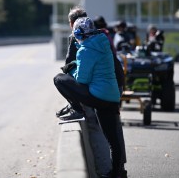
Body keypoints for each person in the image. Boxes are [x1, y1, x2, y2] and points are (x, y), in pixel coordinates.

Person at [54, 17, 127, 178]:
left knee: (59, 78)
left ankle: (77, 109)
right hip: (112, 97)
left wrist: (71, 68)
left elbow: (82, 80)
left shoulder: (85, 49)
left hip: (98, 97)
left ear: (81, 34)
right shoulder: (103, 43)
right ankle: (117, 173)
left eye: (77, 36)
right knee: (113, 140)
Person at [55, 6, 87, 118]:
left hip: (92, 87)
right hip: (112, 86)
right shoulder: (99, 35)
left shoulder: (75, 37)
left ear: (73, 23)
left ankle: (77, 109)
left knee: (59, 79)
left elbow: (68, 64)